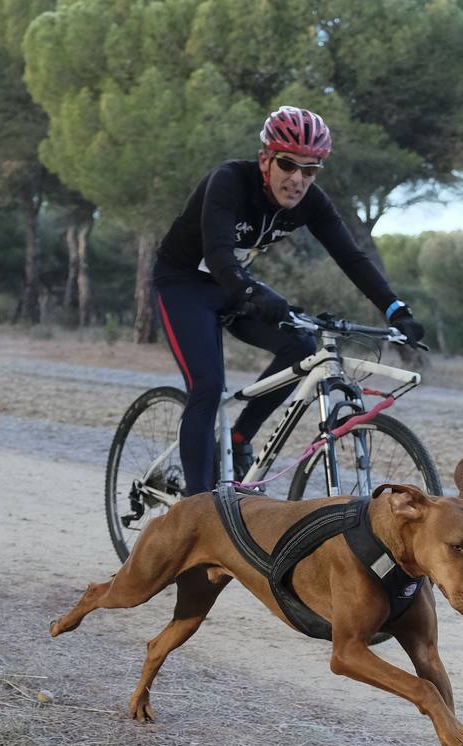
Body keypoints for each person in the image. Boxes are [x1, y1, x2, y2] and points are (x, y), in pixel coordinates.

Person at [152, 105, 424, 495]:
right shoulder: (229, 180)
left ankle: (241, 438)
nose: (297, 179)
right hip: (183, 283)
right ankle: (197, 510)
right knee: (208, 386)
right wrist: (253, 291)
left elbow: (351, 257)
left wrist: (396, 309)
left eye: (310, 170)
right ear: (265, 159)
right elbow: (217, 254)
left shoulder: (311, 201)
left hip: (233, 283)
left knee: (300, 346)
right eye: (287, 164)